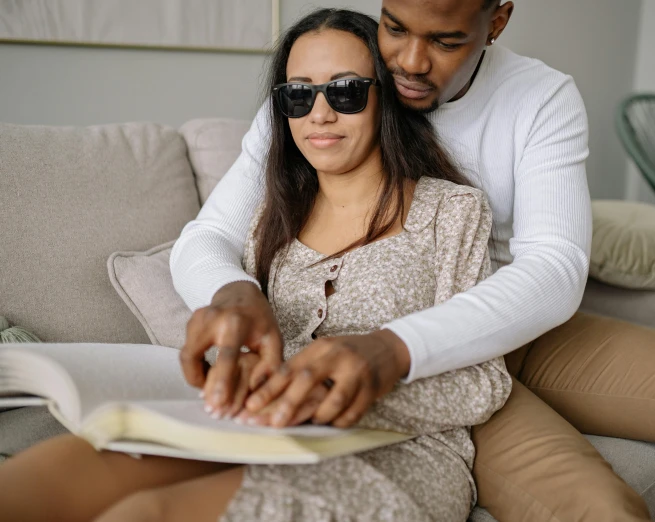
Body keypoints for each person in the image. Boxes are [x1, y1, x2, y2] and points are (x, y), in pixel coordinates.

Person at [172, 1, 655, 521]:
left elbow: (553, 268)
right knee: (595, 505)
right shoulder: (326, 86)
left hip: (507, 322)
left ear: (497, 21)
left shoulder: (538, 97)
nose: (410, 61)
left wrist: (394, 347)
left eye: (444, 40)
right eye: (395, 25)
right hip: (414, 340)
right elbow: (210, 236)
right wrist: (232, 290)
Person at [0, 9, 511, 522]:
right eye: (298, 95)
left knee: (146, 512)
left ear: (387, 97)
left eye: (346, 91)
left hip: (395, 449)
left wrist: (334, 391)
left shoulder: (454, 212)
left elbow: (483, 381)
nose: (320, 114)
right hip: (256, 429)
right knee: (45, 476)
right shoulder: (271, 217)